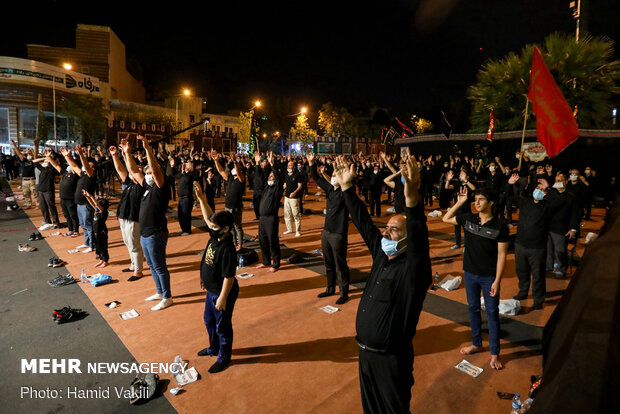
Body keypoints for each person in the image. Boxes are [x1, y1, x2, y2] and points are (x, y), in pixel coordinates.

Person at [334, 155, 431, 413]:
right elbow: (364, 222)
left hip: (391, 360)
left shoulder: (414, 270)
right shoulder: (381, 254)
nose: (386, 232)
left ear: (409, 240)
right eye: (387, 227)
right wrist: (346, 188)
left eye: (394, 230)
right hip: (365, 354)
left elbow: (420, 237)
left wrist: (411, 199)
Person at [443, 186, 508, 370]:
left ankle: (494, 353)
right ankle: (476, 343)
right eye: (475, 199)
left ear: (491, 203)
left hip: (489, 277)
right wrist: (460, 202)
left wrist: (497, 280)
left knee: (492, 313)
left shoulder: (499, 226)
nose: (476, 203)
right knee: (472, 309)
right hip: (470, 273)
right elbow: (445, 218)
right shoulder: (469, 219)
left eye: (481, 199)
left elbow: (502, 255)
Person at [121, 136, 172, 311]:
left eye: (150, 172)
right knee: (151, 265)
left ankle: (167, 296)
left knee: (159, 266)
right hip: (145, 233)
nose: (148, 175)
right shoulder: (146, 188)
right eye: (147, 173)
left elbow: (156, 171)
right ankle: (159, 291)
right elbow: (134, 171)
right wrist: (127, 153)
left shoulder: (160, 187)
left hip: (156, 232)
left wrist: (147, 149)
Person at [193, 185, 239, 374]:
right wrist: (202, 199)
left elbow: (229, 276)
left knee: (222, 326)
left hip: (222, 292)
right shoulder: (216, 236)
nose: (210, 227)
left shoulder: (227, 248)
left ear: (225, 229)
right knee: (209, 322)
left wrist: (222, 298)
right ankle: (214, 348)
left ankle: (224, 357)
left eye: (214, 227)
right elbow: (209, 217)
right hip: (211, 290)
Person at [508, 174, 562, 309]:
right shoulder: (525, 202)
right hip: (520, 244)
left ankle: (538, 299)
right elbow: (510, 198)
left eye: (542, 190)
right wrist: (510, 184)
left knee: (538, 275)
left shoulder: (548, 206)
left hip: (537, 248)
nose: (538, 191)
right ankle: (523, 291)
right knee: (522, 272)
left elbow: (560, 201)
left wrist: (549, 188)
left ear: (546, 195)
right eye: (537, 188)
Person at [308, 151, 351, 304]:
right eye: (332, 175)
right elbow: (316, 178)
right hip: (326, 232)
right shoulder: (330, 190)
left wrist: (344, 170)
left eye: (335, 175)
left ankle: (344, 292)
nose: (332, 177)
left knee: (340, 264)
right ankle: (330, 288)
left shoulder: (345, 194)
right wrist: (311, 163)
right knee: (328, 263)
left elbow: (350, 185)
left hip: (338, 233)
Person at [110, 145, 145, 281]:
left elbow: (132, 169)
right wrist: (114, 155)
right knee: (127, 242)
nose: (132, 172)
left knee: (134, 244)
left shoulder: (142, 185)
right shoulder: (129, 183)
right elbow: (120, 170)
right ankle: (133, 264)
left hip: (133, 218)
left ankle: (138, 271)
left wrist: (127, 153)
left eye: (136, 171)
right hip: (123, 217)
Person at [61, 145, 97, 253]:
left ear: (92, 168)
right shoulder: (82, 175)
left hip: (86, 204)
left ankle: (92, 245)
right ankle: (87, 242)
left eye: (89, 166)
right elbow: (74, 166)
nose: (85, 167)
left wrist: (81, 154)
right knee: (82, 224)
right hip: (79, 204)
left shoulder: (92, 176)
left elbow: (85, 165)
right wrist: (67, 157)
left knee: (88, 225)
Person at [546, 173, 580, 278]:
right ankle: (548, 267)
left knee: (560, 251)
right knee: (548, 250)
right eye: (556, 180)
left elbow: (575, 214)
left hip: (561, 229)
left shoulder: (571, 196)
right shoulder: (550, 193)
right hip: (548, 227)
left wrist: (573, 229)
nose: (558, 182)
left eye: (560, 179)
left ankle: (561, 269)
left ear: (566, 181)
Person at [254, 151, 283, 272]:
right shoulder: (266, 187)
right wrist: (257, 164)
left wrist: (272, 165)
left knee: (273, 241)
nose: (270, 178)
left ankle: (276, 264)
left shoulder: (277, 189)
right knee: (262, 240)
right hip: (262, 219)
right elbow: (260, 176)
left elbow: (279, 178)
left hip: (271, 218)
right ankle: (266, 261)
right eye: (269, 176)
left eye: (272, 176)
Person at [212, 150, 246, 249]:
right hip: (228, 206)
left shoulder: (241, 180)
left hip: (236, 207)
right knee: (230, 227)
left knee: (237, 226)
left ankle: (240, 244)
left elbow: (239, 174)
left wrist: (235, 162)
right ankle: (234, 242)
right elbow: (221, 171)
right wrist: (216, 161)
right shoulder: (230, 178)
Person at [445, 168, 476, 250]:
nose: (461, 175)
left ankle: (466, 245)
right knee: (457, 228)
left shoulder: (468, 185)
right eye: (460, 174)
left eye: (463, 174)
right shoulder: (457, 185)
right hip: (457, 210)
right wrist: (448, 180)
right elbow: (447, 187)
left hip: (466, 210)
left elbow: (474, 188)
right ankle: (457, 244)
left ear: (467, 176)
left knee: (467, 229)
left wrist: (466, 181)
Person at [33, 150, 62, 230]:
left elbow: (55, 164)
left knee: (51, 207)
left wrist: (49, 158)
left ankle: (56, 222)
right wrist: (44, 158)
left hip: (48, 190)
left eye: (46, 160)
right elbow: (34, 161)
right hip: (41, 191)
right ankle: (48, 222)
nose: (44, 161)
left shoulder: (52, 168)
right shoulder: (43, 169)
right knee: (43, 208)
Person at [82, 189, 109, 268]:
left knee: (103, 247)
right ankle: (101, 260)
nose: (96, 206)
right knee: (98, 247)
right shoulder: (97, 211)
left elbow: (96, 204)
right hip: (96, 231)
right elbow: (93, 203)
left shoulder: (103, 212)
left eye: (98, 205)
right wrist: (87, 197)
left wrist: (91, 195)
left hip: (102, 232)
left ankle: (106, 261)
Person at [171, 157, 198, 235]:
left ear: (188, 168)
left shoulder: (190, 175)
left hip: (187, 198)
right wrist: (173, 166)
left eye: (185, 166)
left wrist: (185, 172)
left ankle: (187, 230)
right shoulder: (183, 175)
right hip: (181, 198)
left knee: (186, 215)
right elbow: (174, 175)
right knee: (181, 215)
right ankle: (183, 229)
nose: (183, 167)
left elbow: (187, 179)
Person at [10, 140, 38, 209]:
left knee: (35, 194)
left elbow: (35, 154)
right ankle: (29, 205)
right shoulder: (23, 161)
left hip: (31, 180)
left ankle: (38, 205)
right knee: (26, 194)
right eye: (28, 154)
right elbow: (19, 153)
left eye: (30, 154)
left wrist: (35, 145)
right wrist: (15, 145)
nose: (29, 155)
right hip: (24, 180)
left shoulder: (33, 162)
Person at [59, 159, 80, 237]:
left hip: (70, 199)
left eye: (69, 164)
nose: (68, 166)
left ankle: (76, 231)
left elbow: (74, 167)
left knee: (73, 215)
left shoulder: (75, 175)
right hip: (63, 199)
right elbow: (57, 166)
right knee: (67, 216)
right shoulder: (65, 173)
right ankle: (70, 230)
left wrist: (69, 158)